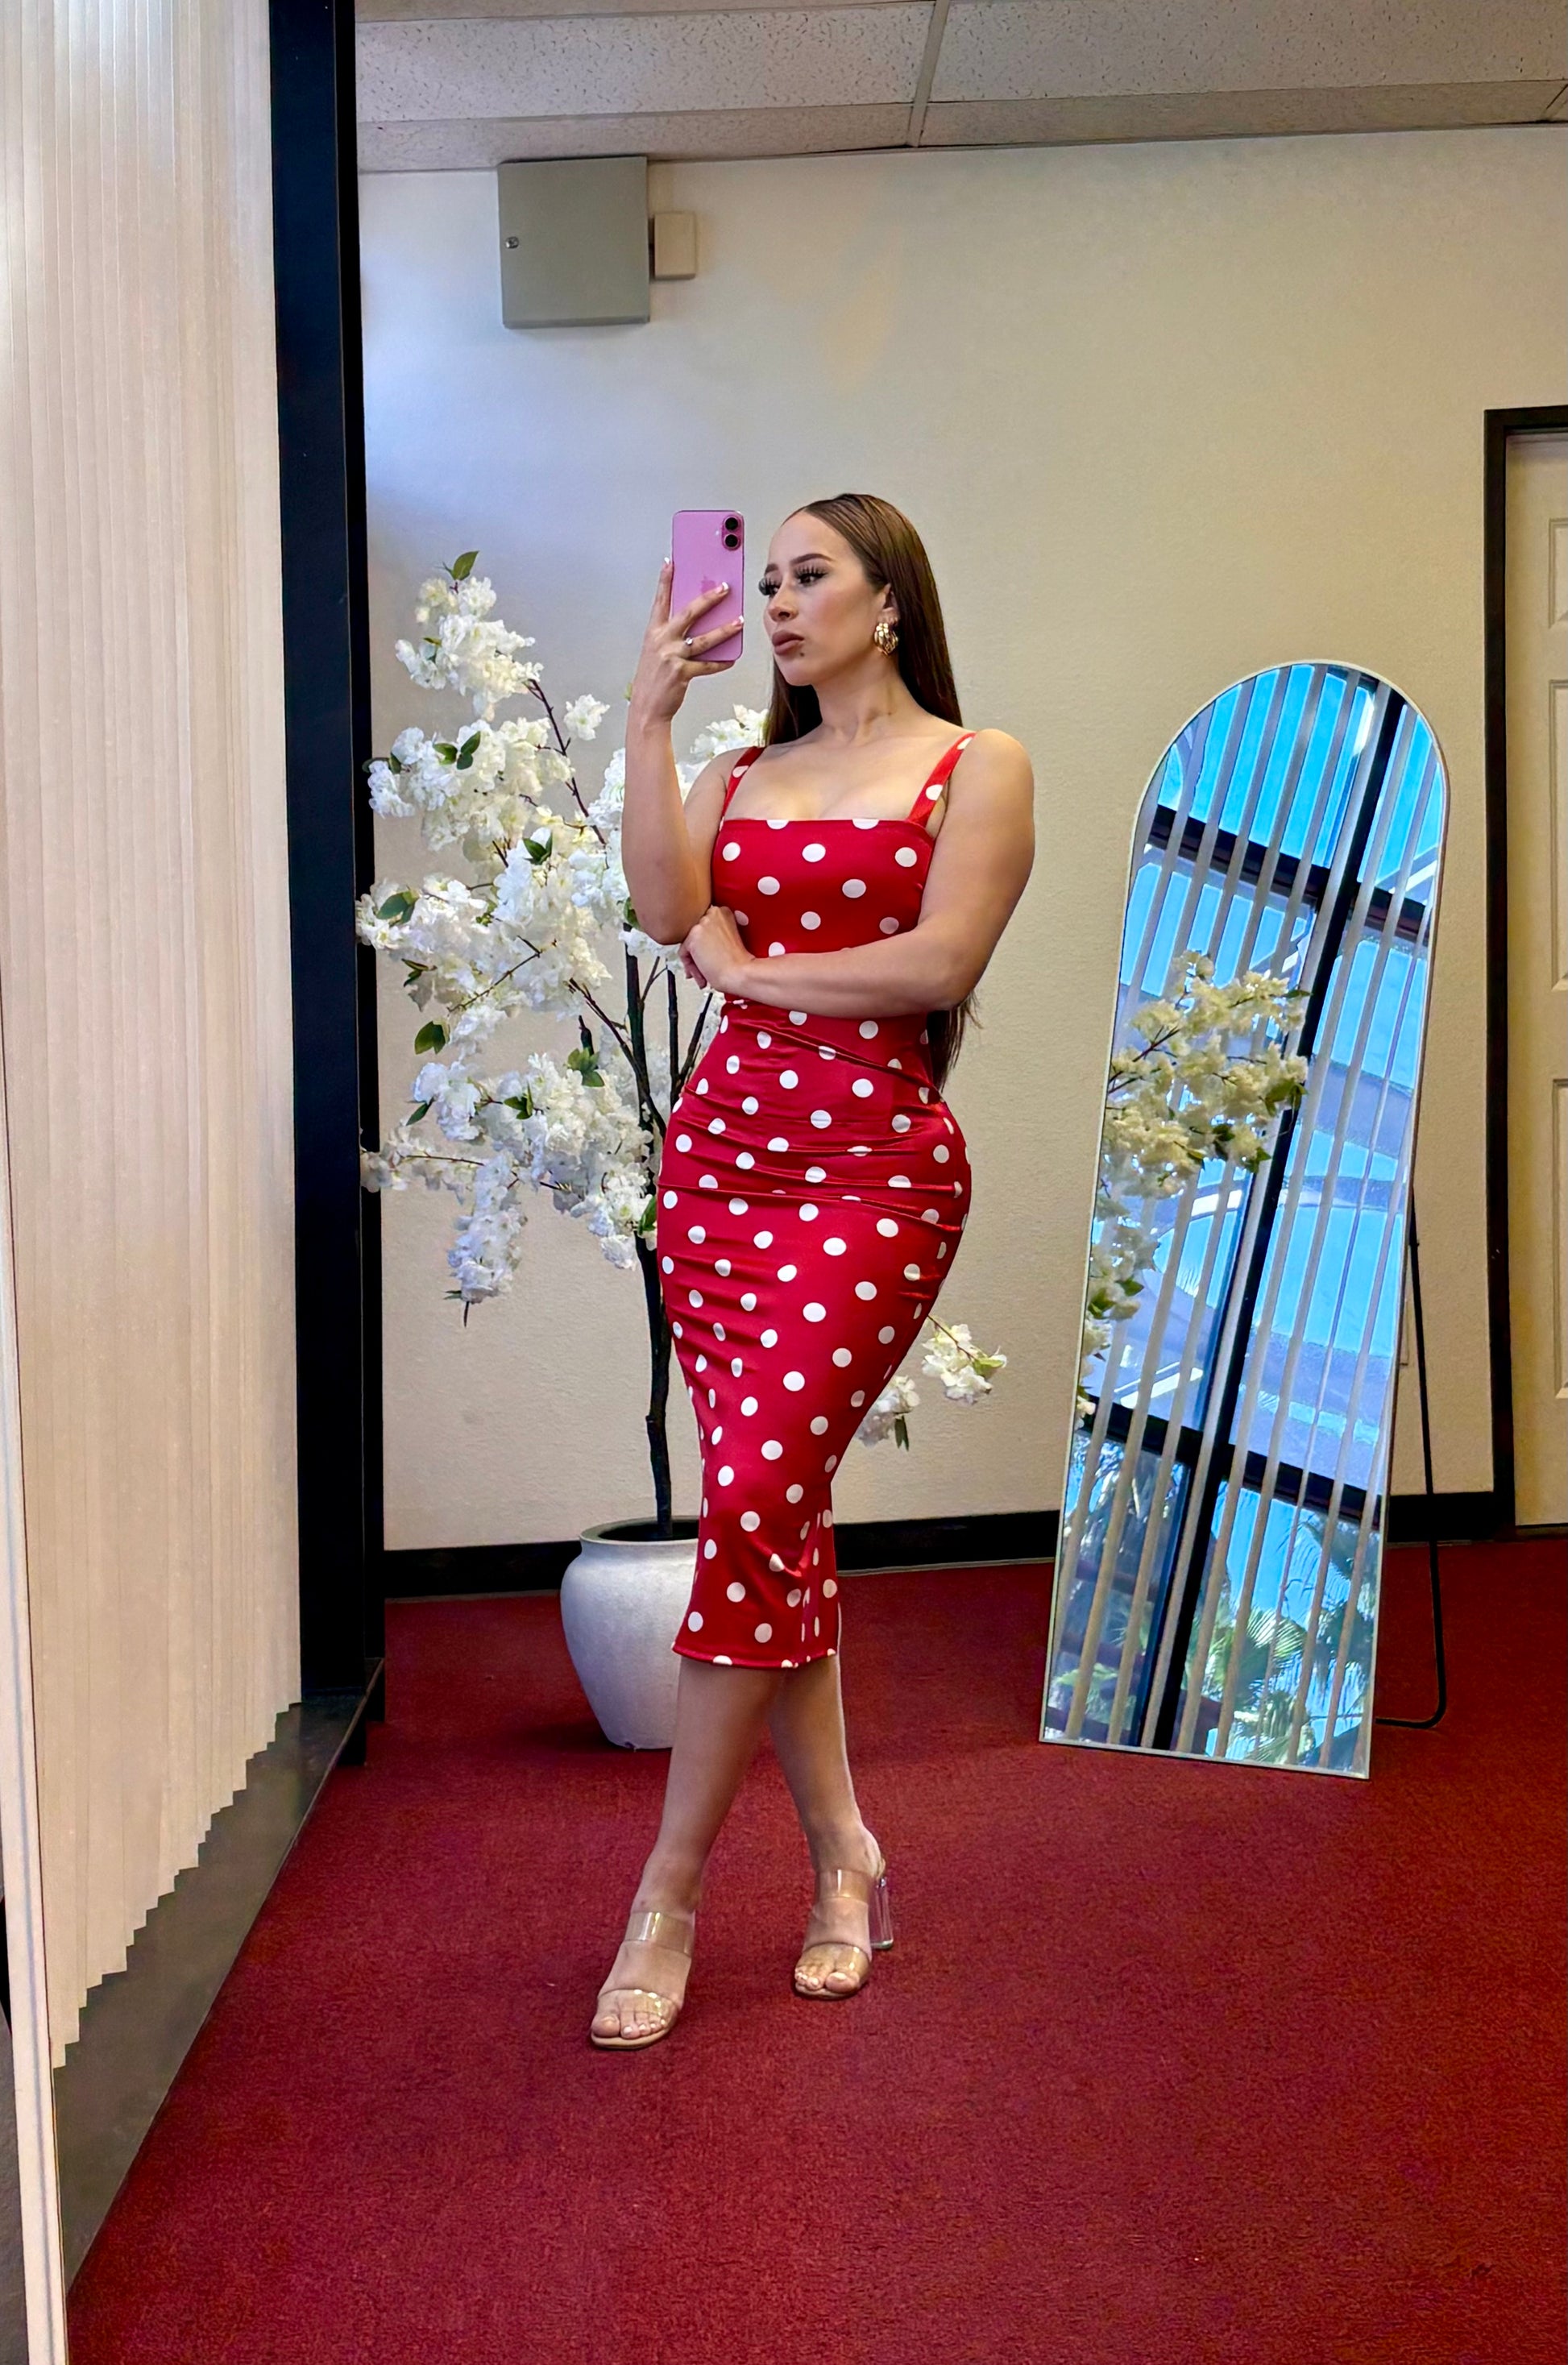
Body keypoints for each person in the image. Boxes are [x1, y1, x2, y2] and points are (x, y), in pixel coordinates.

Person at [595, 493, 1035, 2048]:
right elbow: (665, 909)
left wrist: (755, 970)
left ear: (888, 599)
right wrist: (650, 719)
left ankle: (665, 1893)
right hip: (720, 1173)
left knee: (752, 1501)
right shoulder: (739, 771)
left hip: (874, 1176)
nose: (776, 603)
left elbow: (938, 962)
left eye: (807, 577)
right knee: (771, 1519)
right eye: (763, 580)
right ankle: (845, 1857)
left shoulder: (976, 765)